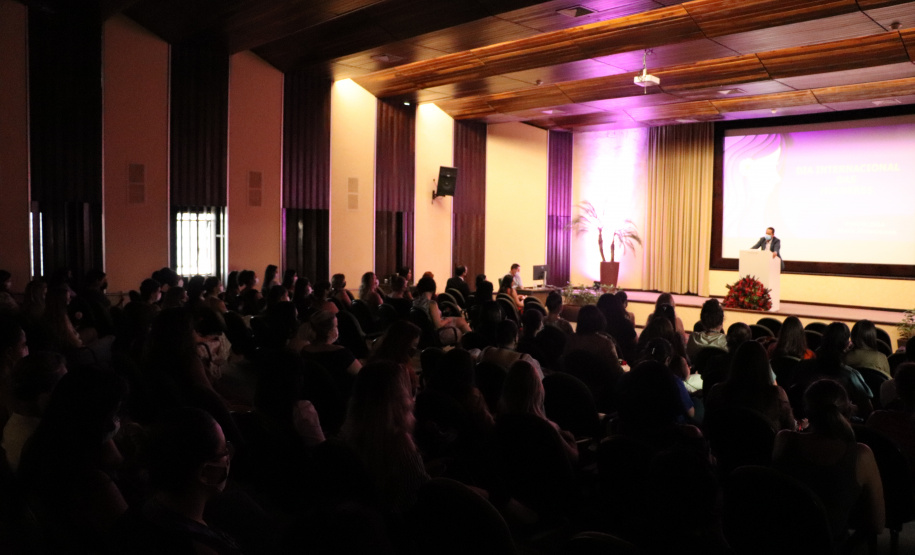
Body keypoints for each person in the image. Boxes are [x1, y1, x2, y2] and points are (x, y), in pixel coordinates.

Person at [773, 379, 884, 549]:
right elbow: (877, 524)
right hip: (831, 545)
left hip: (781, 541)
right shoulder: (861, 455)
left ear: (807, 411)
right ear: (847, 410)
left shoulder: (784, 440)